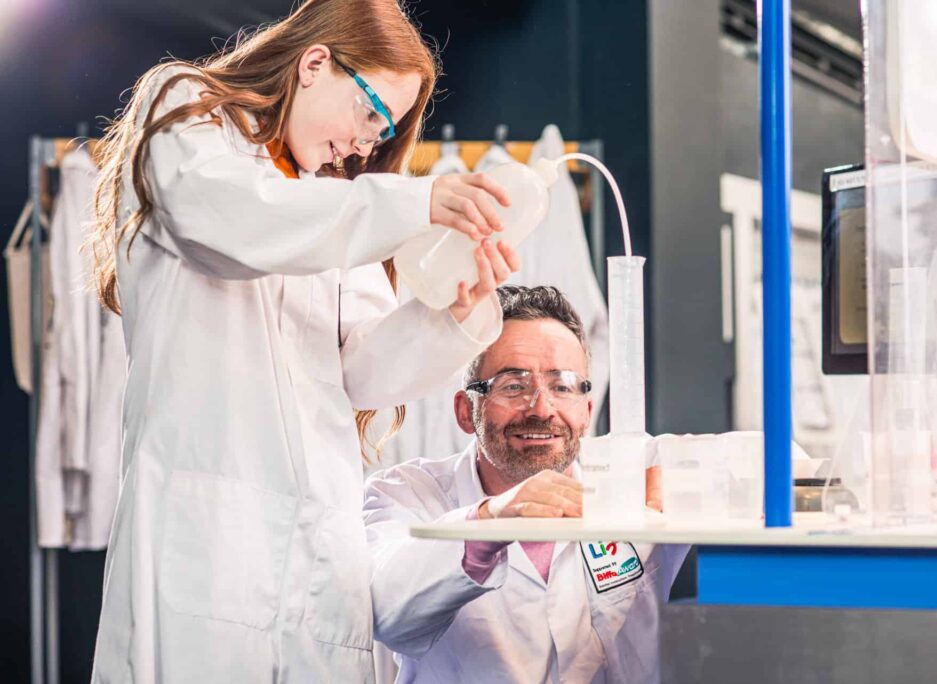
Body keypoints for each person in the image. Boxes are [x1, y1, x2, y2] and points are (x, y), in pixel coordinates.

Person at [86, 1, 521, 681]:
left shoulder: (334, 199)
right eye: (372, 115)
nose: (368, 144)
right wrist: (414, 202)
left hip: (321, 549)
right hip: (207, 538)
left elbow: (365, 373)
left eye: (386, 132)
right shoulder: (186, 112)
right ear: (316, 63)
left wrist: (450, 315)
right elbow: (236, 220)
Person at [363, 286, 690, 684]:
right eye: (513, 386)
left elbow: (777, 459)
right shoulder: (404, 493)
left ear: (587, 411)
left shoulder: (631, 468)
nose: (541, 408)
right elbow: (385, 611)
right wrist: (491, 521)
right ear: (467, 412)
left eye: (563, 385)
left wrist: (690, 478)